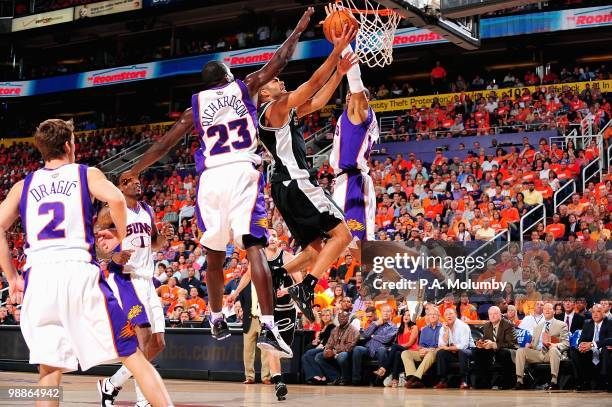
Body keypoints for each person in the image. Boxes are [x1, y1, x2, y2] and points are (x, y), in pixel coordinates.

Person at [121, 8, 316, 357]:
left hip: (210, 178)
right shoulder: (247, 86)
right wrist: (300, 28)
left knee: (213, 253)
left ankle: (214, 317)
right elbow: (281, 59)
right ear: (228, 76)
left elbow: (164, 144)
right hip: (241, 169)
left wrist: (136, 169)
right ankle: (270, 327)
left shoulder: (193, 107)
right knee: (253, 246)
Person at [0, 119, 172, 407]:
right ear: (69, 145)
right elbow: (117, 200)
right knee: (132, 354)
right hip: (77, 271)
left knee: (49, 368)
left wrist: (11, 276)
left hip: (38, 277)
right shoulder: (86, 174)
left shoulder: (22, 186)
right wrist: (125, 240)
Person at [257, 24, 357, 323]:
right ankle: (308, 286)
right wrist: (336, 49)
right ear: (265, 92)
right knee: (343, 235)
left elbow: (317, 101)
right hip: (296, 182)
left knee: (315, 250)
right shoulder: (274, 108)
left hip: (283, 187)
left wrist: (338, 74)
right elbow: (312, 84)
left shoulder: (284, 113)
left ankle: (277, 274)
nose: (280, 81)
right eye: (275, 80)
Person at [96, 175, 174, 407]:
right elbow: (97, 247)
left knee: (157, 343)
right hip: (125, 279)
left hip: (147, 281)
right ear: (120, 187)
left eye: (139, 180)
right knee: (143, 337)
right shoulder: (109, 211)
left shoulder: (147, 210)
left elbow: (154, 245)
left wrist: (164, 238)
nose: (137, 182)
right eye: (130, 180)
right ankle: (144, 401)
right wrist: (113, 255)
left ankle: (111, 384)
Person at [230, 228, 299, 400]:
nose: (273, 238)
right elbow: (247, 275)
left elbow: (301, 282)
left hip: (287, 310)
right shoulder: (258, 258)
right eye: (270, 236)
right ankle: (278, 382)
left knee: (283, 349)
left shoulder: (288, 258)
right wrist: (235, 293)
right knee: (271, 347)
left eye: (276, 235)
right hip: (268, 311)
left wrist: (288, 290)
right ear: (265, 239)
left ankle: (277, 377)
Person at [329, 45, 379, 262]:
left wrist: (344, 44)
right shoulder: (347, 117)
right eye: (349, 95)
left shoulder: (361, 113)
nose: (349, 95)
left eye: (354, 95)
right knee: (349, 244)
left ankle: (396, 280)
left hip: (354, 182)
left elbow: (355, 79)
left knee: (360, 244)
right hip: (342, 181)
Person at [515, 303, 569, 390]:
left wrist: (554, 345)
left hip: (551, 353)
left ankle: (554, 381)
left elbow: (566, 343)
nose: (547, 310)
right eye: (545, 309)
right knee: (520, 351)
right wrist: (530, 346)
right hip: (538, 353)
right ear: (543, 312)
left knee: (553, 350)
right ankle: (520, 381)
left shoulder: (561, 325)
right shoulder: (537, 327)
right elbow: (533, 344)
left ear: (554, 311)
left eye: (550, 309)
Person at [351, 304, 397, 385]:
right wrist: (375, 324)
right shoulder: (374, 323)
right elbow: (365, 335)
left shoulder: (393, 327)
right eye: (384, 311)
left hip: (380, 351)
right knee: (357, 349)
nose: (386, 313)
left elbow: (386, 340)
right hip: (368, 349)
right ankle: (356, 379)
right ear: (381, 313)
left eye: (388, 311)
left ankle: (379, 379)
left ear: (391, 313)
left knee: (382, 350)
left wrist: (374, 336)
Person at [472, 306, 518, 389]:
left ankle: (506, 383)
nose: (492, 316)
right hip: (492, 350)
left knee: (503, 353)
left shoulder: (508, 325)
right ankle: (483, 383)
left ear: (500, 314)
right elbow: (486, 339)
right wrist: (481, 344)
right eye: (490, 314)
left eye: (495, 314)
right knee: (477, 351)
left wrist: (493, 344)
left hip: (509, 350)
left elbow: (511, 343)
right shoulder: (487, 325)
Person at [570, 304, 612, 390]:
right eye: (593, 312)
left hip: (603, 350)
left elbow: (610, 339)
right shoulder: (587, 323)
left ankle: (605, 381)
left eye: (598, 311)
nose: (595, 314)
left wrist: (592, 344)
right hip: (590, 352)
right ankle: (582, 382)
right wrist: (581, 345)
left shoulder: (609, 322)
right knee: (573, 351)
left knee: (605, 350)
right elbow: (581, 340)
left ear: (604, 313)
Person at [313, 310, 359, 386]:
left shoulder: (353, 330)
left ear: (348, 318)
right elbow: (329, 343)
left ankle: (345, 378)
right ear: (338, 319)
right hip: (334, 352)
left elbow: (350, 346)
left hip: (347, 352)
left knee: (342, 356)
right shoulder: (335, 330)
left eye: (344, 317)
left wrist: (335, 351)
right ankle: (336, 377)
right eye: (340, 317)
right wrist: (327, 350)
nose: (342, 319)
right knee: (318, 357)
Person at [434, 308, 475, 389]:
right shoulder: (444, 328)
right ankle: (443, 380)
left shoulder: (463, 326)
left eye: (451, 314)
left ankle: (464, 381)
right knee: (440, 353)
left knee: (462, 352)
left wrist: (448, 348)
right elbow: (441, 345)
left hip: (468, 351)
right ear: (444, 317)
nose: (449, 316)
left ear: (455, 315)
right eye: (446, 314)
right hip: (453, 351)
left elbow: (464, 345)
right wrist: (446, 331)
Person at [375, 310, 418, 387]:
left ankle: (384, 368)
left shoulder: (414, 327)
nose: (406, 317)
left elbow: (410, 344)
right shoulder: (400, 329)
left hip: (411, 351)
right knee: (397, 353)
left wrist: (396, 347)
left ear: (412, 318)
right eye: (405, 315)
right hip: (401, 351)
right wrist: (396, 347)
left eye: (409, 315)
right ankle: (395, 379)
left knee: (394, 347)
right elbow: (398, 344)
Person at [402, 307, 442, 388]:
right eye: (430, 314)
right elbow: (420, 345)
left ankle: (414, 379)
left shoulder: (443, 328)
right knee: (405, 353)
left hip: (436, 352)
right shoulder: (424, 329)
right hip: (425, 351)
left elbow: (442, 346)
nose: (432, 316)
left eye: (434, 314)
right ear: (427, 316)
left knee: (431, 354)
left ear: (438, 316)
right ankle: (411, 377)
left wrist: (429, 350)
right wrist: (421, 350)